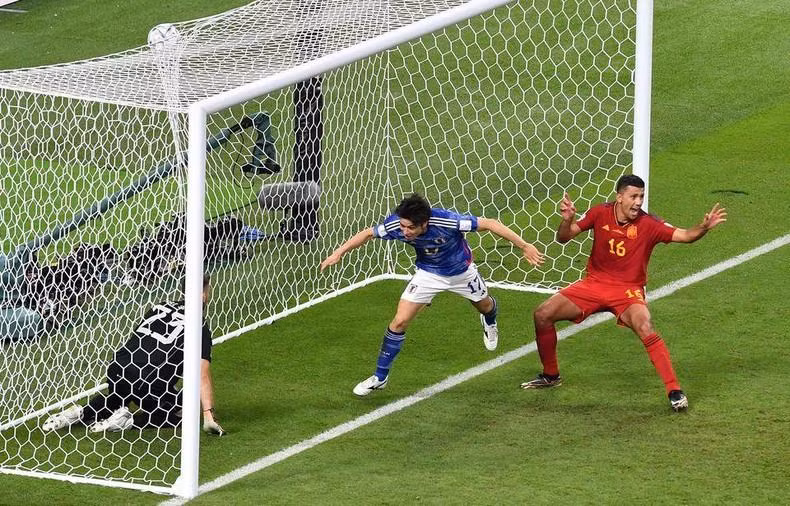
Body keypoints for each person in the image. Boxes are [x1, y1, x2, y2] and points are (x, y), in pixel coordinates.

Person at [520, 174, 727, 411]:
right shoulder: (600, 213)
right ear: (619, 197)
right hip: (593, 285)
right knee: (542, 314)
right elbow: (563, 237)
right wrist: (567, 220)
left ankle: (674, 389)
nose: (639, 202)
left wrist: (703, 227)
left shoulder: (649, 224)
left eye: (641, 196)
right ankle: (551, 375)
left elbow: (686, 236)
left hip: (627, 291)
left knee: (645, 326)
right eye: (634, 196)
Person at [320, 193, 544, 396]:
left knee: (485, 306)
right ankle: (380, 377)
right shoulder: (396, 225)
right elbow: (368, 233)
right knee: (399, 322)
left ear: (424, 223)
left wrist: (524, 246)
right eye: (402, 226)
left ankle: (489, 320)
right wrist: (339, 253)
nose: (404, 232)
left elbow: (491, 224)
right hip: (428, 274)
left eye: (410, 228)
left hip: (462, 272)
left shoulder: (447, 220)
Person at [43, 274, 225, 434]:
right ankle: (127, 422)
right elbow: (202, 372)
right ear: (204, 293)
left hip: (118, 367)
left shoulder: (160, 307)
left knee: (121, 394)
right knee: (184, 413)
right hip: (146, 381)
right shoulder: (199, 326)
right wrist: (208, 415)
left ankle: (80, 412)